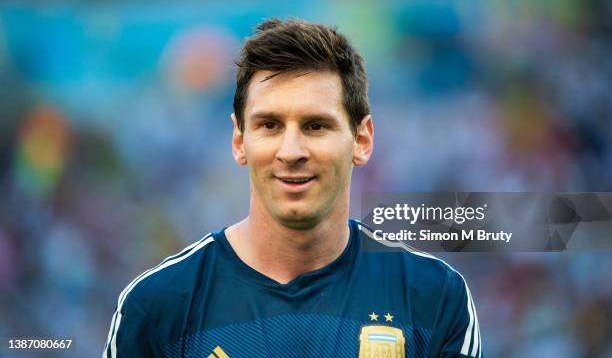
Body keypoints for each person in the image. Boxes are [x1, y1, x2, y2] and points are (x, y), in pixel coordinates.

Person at [103, 18, 482, 358]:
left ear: (361, 140)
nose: (291, 151)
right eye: (269, 125)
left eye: (316, 126)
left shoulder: (434, 298)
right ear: (239, 140)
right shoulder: (155, 308)